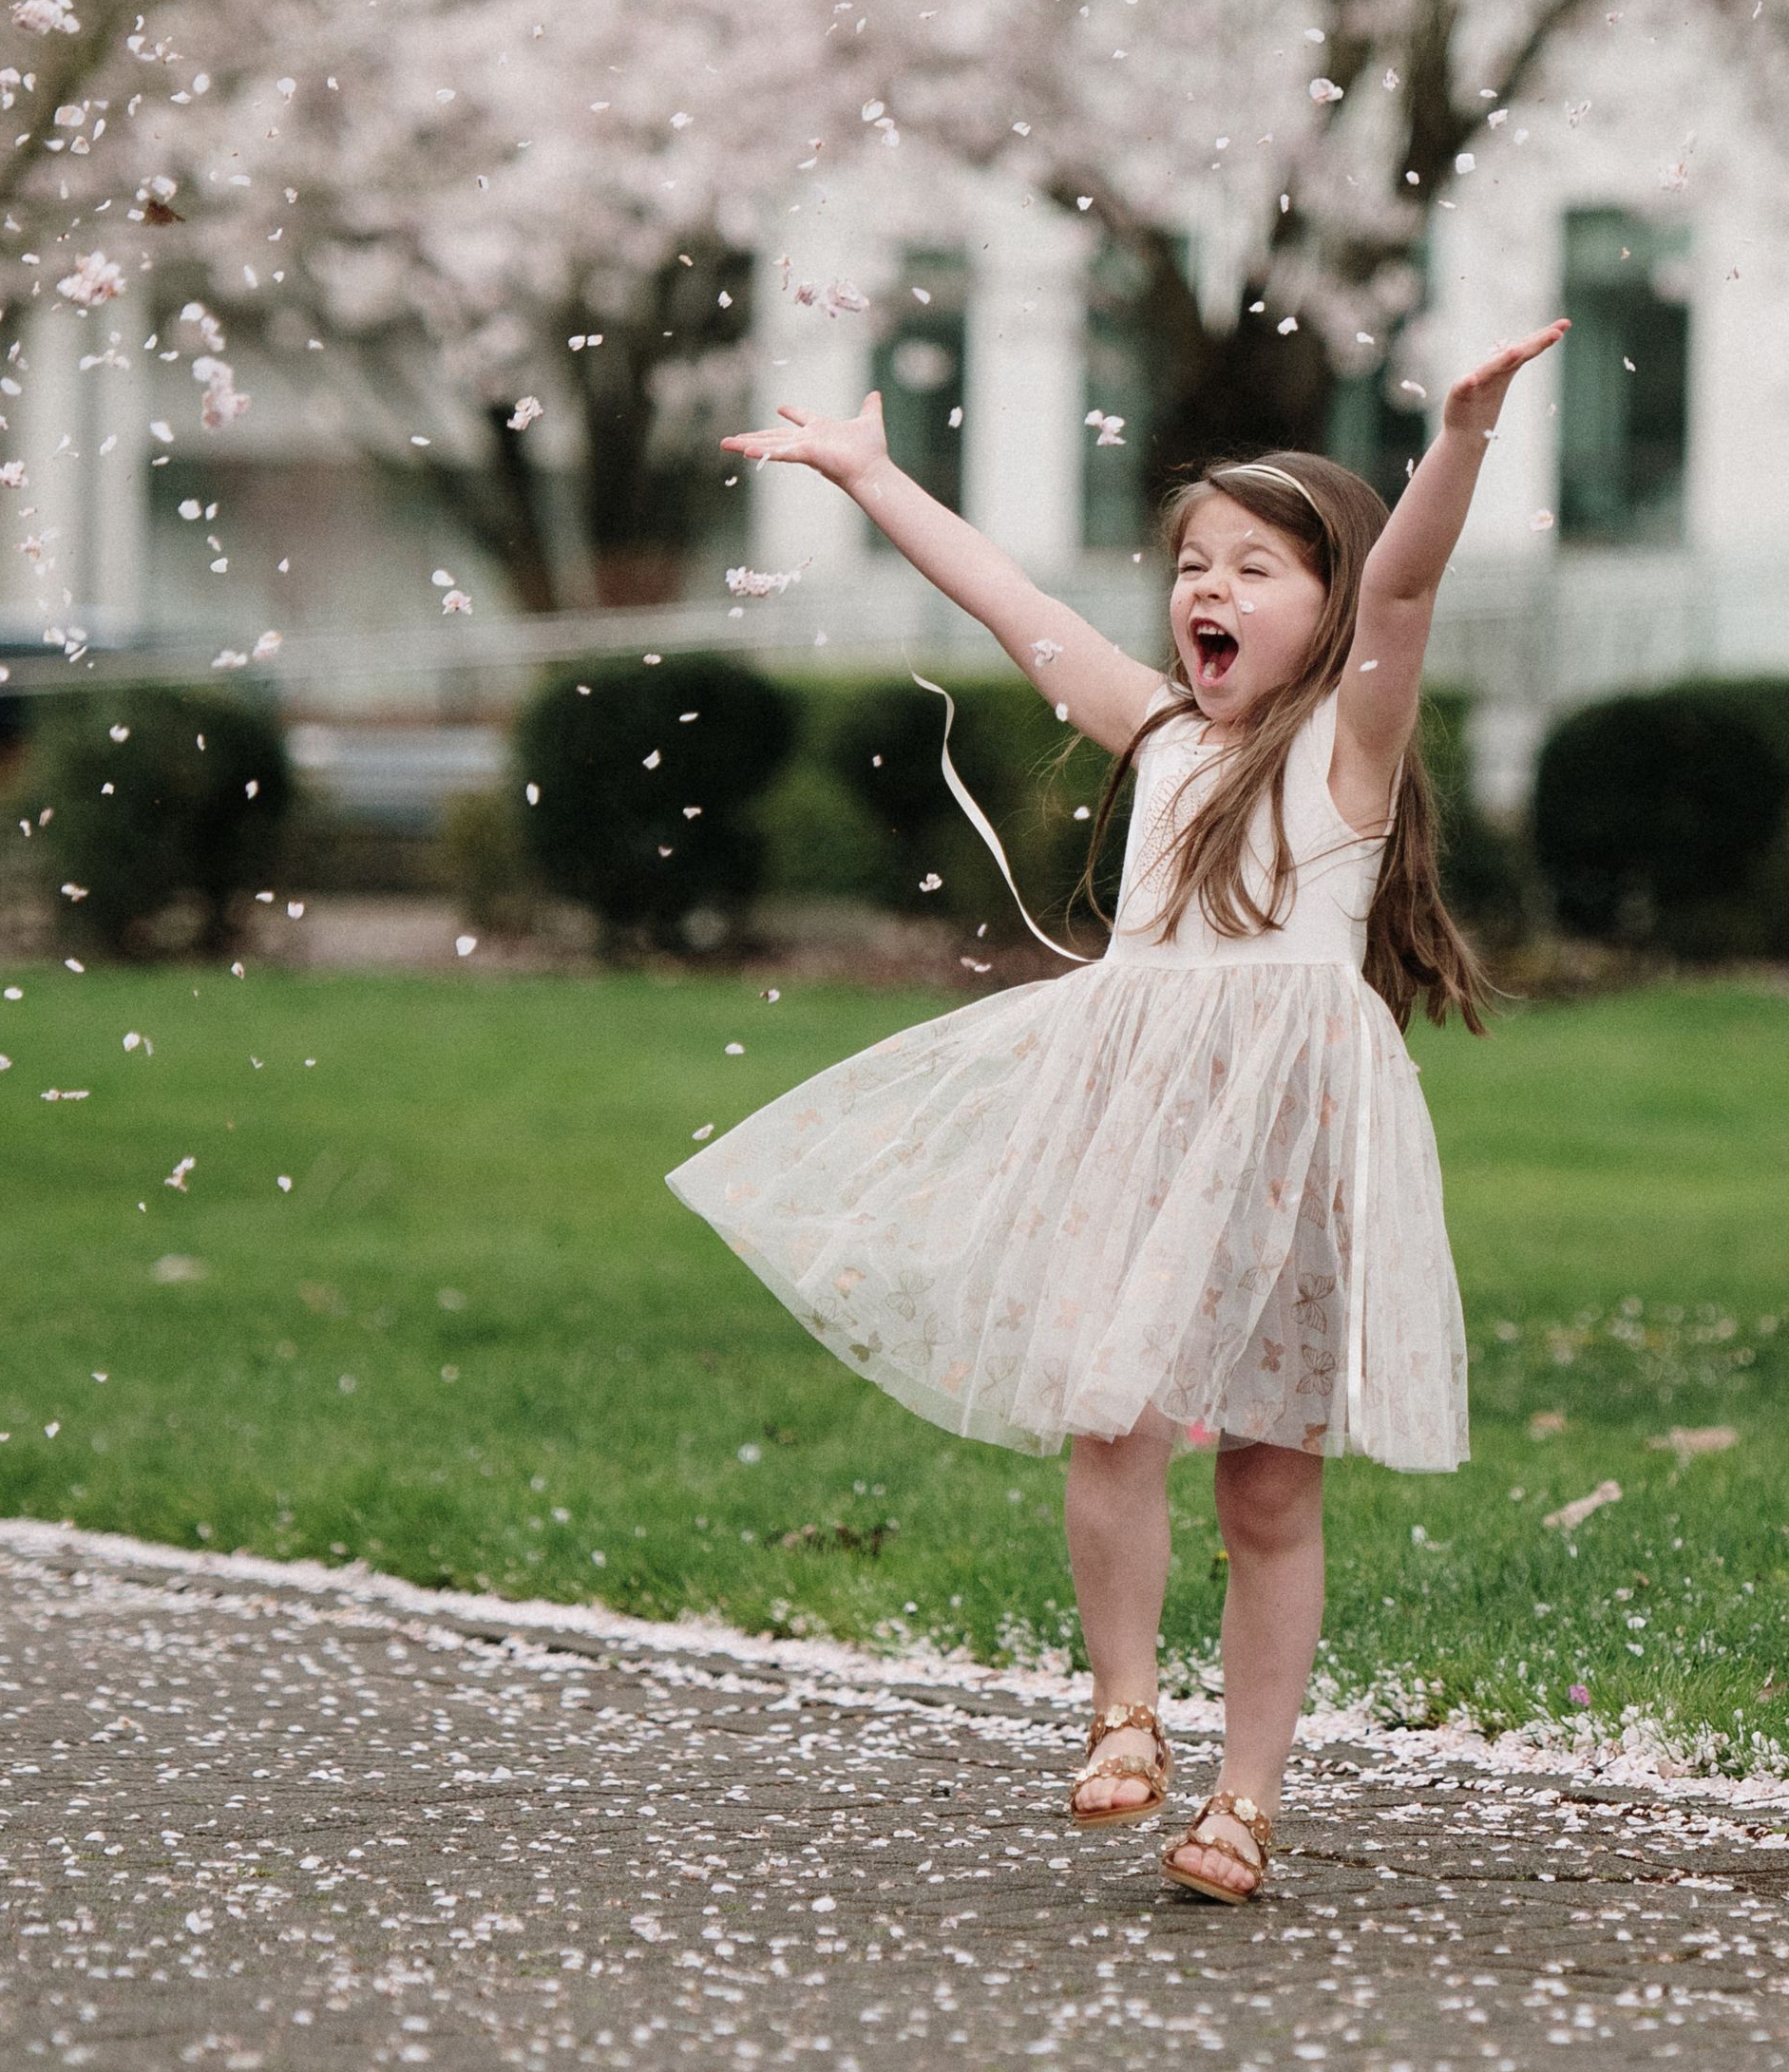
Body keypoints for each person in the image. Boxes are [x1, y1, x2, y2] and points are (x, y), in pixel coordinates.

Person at [665, 319, 1566, 1903]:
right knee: (1110, 1411)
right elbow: (1012, 608)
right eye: (1192, 566)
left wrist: (1465, 440)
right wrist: (875, 476)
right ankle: (1123, 1711)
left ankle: (1246, 1803)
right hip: (1140, 1124)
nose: (1208, 592)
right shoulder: (1158, 736)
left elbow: (1409, 584)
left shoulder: (1348, 758)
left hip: (1287, 1152)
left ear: (1330, 612)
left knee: (1270, 1484)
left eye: (1257, 570)